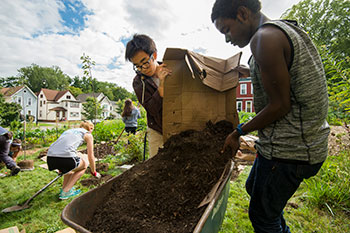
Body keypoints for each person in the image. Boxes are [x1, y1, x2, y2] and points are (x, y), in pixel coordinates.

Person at [211, 0, 330, 232]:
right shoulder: (282, 30)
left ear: (243, 13)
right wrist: (246, 70)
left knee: (263, 217)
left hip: (290, 150)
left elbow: (280, 105)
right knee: (253, 187)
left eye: (226, 29)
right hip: (302, 144)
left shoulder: (264, 39)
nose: (227, 39)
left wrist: (239, 131)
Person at [125, 34, 172, 157]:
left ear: (154, 55)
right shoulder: (139, 82)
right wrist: (161, 87)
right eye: (137, 66)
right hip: (157, 129)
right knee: (157, 165)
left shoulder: (172, 69)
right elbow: (151, 109)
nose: (143, 69)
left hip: (177, 126)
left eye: (144, 62)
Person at [47, 121, 101, 200]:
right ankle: (66, 191)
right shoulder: (88, 134)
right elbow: (90, 155)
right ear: (90, 128)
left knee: (70, 168)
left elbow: (62, 146)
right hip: (65, 158)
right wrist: (94, 172)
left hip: (50, 158)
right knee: (84, 165)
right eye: (92, 129)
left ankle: (63, 190)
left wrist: (60, 167)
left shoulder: (68, 131)